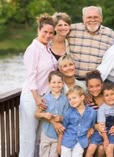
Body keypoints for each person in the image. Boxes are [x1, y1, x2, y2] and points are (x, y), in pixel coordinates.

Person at [19, 13, 57, 157]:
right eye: (45, 32)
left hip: (44, 98)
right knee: (28, 138)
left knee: (41, 138)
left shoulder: (47, 48)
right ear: (38, 31)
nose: (48, 35)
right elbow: (31, 76)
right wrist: (36, 99)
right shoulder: (33, 49)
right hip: (32, 98)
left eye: (51, 33)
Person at [68, 6, 114, 80]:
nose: (92, 20)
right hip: (74, 81)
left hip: (97, 83)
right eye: (89, 17)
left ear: (101, 18)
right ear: (83, 19)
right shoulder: (71, 30)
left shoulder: (110, 35)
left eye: (95, 17)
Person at [35, 71, 69, 157]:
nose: (56, 85)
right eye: (53, 82)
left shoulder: (65, 100)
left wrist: (61, 118)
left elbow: (68, 117)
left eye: (59, 82)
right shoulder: (45, 99)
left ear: (63, 83)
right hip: (46, 133)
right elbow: (36, 114)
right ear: (49, 84)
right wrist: (44, 115)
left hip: (57, 135)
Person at [57, 85, 96, 157]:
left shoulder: (92, 112)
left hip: (81, 142)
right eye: (69, 99)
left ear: (82, 97)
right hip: (67, 141)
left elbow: (92, 126)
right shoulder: (68, 113)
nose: (72, 101)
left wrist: (89, 134)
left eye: (74, 98)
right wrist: (59, 145)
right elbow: (62, 129)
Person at [86, 82, 114, 157]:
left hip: (112, 131)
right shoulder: (102, 109)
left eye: (112, 94)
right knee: (91, 148)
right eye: (107, 95)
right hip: (101, 131)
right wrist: (105, 139)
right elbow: (102, 125)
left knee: (109, 148)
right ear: (103, 97)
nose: (110, 97)